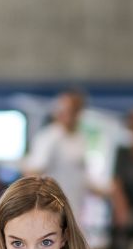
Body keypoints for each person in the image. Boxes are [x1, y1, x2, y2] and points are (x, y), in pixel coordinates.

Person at [22, 89, 90, 225]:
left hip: (75, 210)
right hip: (51, 212)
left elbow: (80, 176)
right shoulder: (49, 137)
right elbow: (31, 173)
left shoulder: (79, 138)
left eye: (74, 110)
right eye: (65, 109)